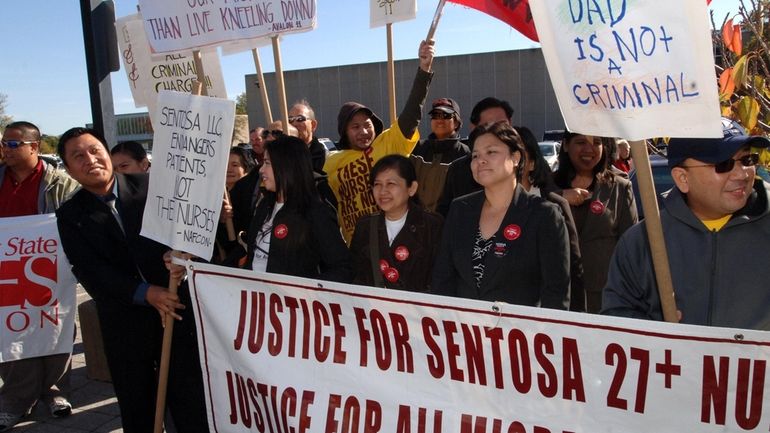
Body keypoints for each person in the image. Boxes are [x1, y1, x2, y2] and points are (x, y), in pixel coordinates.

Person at [54, 127, 209, 433]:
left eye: (95, 150)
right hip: (124, 321)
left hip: (177, 313)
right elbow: (90, 271)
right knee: (137, 404)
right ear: (69, 168)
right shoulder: (70, 214)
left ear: (107, 153)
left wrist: (184, 256)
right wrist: (145, 293)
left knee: (190, 400)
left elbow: (195, 235)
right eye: (78, 156)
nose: (90, 159)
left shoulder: (156, 187)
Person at [602, 118, 770, 329]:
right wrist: (654, 331)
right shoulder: (641, 243)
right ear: (682, 178)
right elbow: (615, 319)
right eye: (723, 164)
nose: (742, 174)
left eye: (747, 160)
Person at [432, 121, 570, 309]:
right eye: (475, 155)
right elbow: (443, 280)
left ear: (515, 158)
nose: (481, 160)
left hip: (521, 334)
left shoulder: (544, 215)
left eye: (491, 152)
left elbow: (556, 293)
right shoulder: (460, 209)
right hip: (465, 333)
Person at [0, 121, 78, 431]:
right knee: (12, 330)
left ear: (35, 147)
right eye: (5, 143)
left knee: (54, 329)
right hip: (8, 271)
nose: (6, 148)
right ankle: (16, 399)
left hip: (51, 271)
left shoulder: (60, 183)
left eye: (14, 144)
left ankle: (54, 391)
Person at [324, 40, 435, 243]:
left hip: (395, 239)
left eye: (367, 124)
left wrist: (424, 70)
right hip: (356, 246)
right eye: (355, 127)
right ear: (344, 132)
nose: (364, 131)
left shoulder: (387, 144)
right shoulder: (331, 162)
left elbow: (411, 115)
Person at [245, 135, 352, 282]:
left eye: (267, 163)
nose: (261, 170)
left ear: (287, 166)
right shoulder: (264, 206)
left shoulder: (316, 212)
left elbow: (342, 267)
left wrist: (308, 292)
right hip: (254, 301)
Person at [554, 132, 638, 314]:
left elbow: (632, 248)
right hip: (559, 297)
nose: (589, 149)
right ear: (566, 145)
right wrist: (559, 196)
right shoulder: (549, 186)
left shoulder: (620, 187)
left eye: (597, 142)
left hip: (606, 298)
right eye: (581, 142)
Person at [515, 125, 585, 312]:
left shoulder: (553, 206)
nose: (509, 161)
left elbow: (573, 272)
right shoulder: (477, 209)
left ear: (532, 163)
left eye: (516, 154)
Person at [350, 155, 443, 292]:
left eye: (391, 184)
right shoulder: (365, 226)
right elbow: (355, 274)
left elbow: (441, 279)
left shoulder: (432, 225)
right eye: (377, 184)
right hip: (376, 311)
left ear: (411, 188)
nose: (382, 191)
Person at [436, 97, 514, 216]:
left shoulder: (527, 160)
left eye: (502, 124)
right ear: (474, 128)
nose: (497, 131)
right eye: (489, 125)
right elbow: (444, 214)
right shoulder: (459, 170)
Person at [411, 98, 470, 212]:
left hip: (448, 223)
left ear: (457, 122)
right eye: (435, 115)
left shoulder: (464, 153)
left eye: (446, 116)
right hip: (417, 220)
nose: (440, 120)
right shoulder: (418, 148)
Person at [289, 100, 327, 173]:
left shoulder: (324, 156)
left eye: (300, 119)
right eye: (290, 120)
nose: (294, 124)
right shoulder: (284, 153)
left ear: (313, 125)